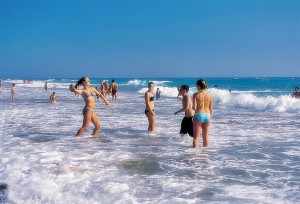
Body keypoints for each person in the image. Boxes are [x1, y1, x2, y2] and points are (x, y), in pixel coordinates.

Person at [192, 79, 213, 148]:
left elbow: (194, 108)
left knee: (196, 138)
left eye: (196, 85)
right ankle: (205, 155)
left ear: (198, 86)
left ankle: (194, 155)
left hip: (198, 115)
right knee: (205, 137)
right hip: (207, 115)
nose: (196, 86)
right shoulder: (209, 95)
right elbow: (211, 109)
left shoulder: (195, 95)